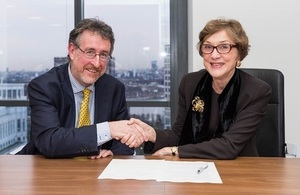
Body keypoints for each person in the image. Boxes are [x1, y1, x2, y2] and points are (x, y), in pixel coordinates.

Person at [129, 18, 272, 159]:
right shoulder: (190, 83)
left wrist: (176, 151)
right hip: (196, 168)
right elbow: (179, 135)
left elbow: (229, 146)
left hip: (241, 172)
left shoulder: (257, 91)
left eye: (224, 47)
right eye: (208, 47)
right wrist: (152, 134)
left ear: (239, 53)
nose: (214, 55)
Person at [17, 18, 146, 158]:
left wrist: (112, 153)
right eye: (90, 52)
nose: (97, 63)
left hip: (95, 172)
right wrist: (107, 130)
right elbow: (49, 141)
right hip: (48, 170)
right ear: (72, 51)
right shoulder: (44, 86)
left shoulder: (114, 88)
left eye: (103, 55)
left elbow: (125, 140)